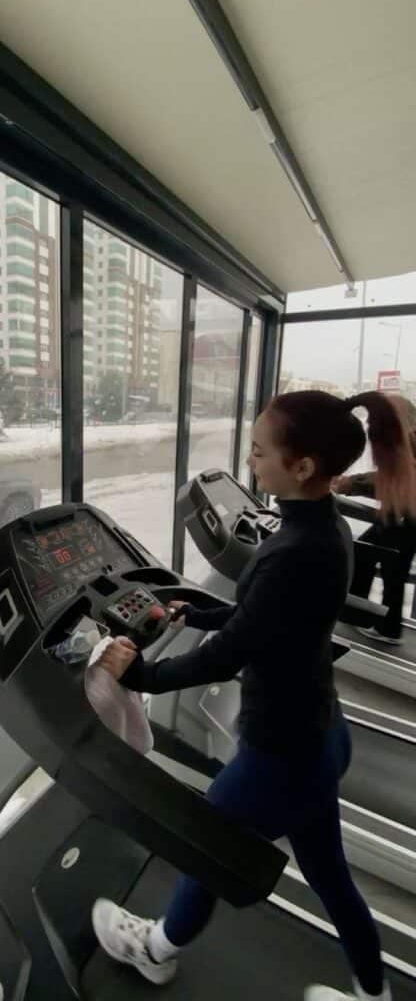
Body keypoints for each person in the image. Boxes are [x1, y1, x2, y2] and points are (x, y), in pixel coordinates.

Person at [91, 390, 416, 1001]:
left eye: (260, 452)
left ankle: (154, 951)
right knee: (330, 876)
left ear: (303, 469)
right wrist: (202, 610)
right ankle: (373, 995)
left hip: (281, 753)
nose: (251, 461)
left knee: (207, 845)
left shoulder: (295, 549)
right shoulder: (325, 527)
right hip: (322, 734)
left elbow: (232, 651)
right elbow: (267, 620)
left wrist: (138, 678)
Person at [335, 396, 416, 645]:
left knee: (393, 570)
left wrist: (349, 484)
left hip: (405, 517)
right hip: (400, 514)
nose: (369, 425)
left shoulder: (408, 442)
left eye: (372, 421)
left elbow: (393, 481)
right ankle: (361, 614)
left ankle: (387, 629)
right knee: (371, 556)